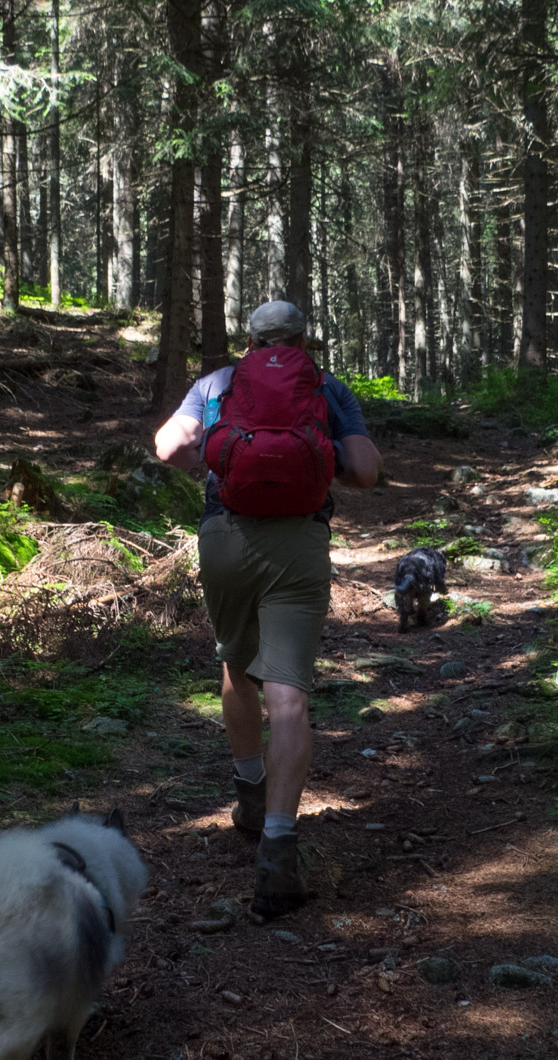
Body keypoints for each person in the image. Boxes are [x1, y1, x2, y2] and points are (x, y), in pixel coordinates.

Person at [153, 300, 382, 916]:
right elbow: (363, 470)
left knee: (235, 665)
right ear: (305, 339)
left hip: (225, 533)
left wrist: (220, 461)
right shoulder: (328, 387)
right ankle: (279, 848)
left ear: (248, 340)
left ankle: (250, 792)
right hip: (300, 543)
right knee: (289, 695)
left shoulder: (216, 383)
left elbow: (167, 448)